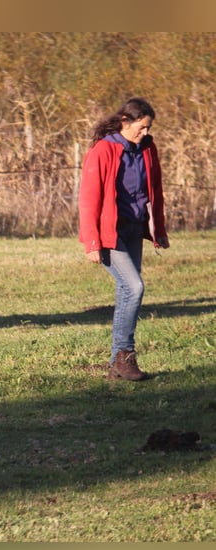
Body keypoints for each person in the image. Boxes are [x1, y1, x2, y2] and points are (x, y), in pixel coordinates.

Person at [79, 97, 170, 381]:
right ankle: (125, 355)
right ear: (125, 122)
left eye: (148, 128)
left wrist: (159, 230)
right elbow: (89, 199)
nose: (145, 132)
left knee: (125, 291)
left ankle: (117, 366)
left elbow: (155, 190)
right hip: (109, 234)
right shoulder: (103, 150)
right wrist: (92, 242)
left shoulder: (147, 149)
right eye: (141, 127)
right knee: (134, 287)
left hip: (134, 229)